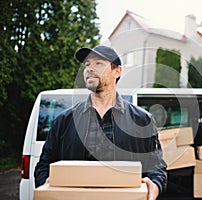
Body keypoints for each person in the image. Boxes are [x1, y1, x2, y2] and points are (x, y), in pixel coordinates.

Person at [34, 45, 167, 200]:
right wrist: (47, 183)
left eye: (98, 63)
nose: (89, 69)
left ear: (116, 71)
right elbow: (43, 166)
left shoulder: (142, 120)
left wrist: (155, 185)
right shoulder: (64, 121)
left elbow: (157, 167)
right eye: (87, 64)